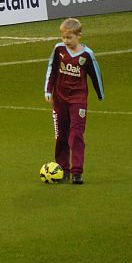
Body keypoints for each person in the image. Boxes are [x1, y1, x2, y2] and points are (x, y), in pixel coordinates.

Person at [44, 18, 104, 184]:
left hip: (78, 100)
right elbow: (52, 69)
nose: (65, 41)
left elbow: (95, 75)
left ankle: (77, 172)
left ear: (79, 36)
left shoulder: (87, 55)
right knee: (61, 136)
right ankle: (63, 170)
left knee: (76, 134)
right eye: (63, 37)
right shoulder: (59, 50)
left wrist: (100, 93)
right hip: (59, 100)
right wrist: (48, 90)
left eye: (69, 37)